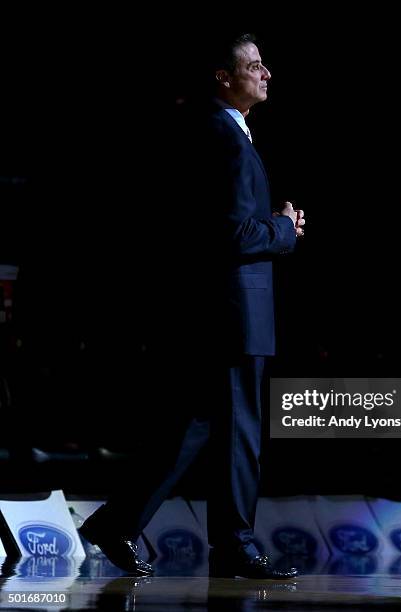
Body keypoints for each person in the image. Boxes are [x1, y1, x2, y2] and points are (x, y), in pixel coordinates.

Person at [79, 33, 305, 579]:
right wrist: (285, 229)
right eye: (254, 65)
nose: (266, 73)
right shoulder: (223, 137)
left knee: (196, 428)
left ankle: (120, 522)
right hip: (233, 313)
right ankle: (235, 543)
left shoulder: (220, 131)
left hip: (222, 311)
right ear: (223, 77)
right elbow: (231, 233)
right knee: (235, 433)